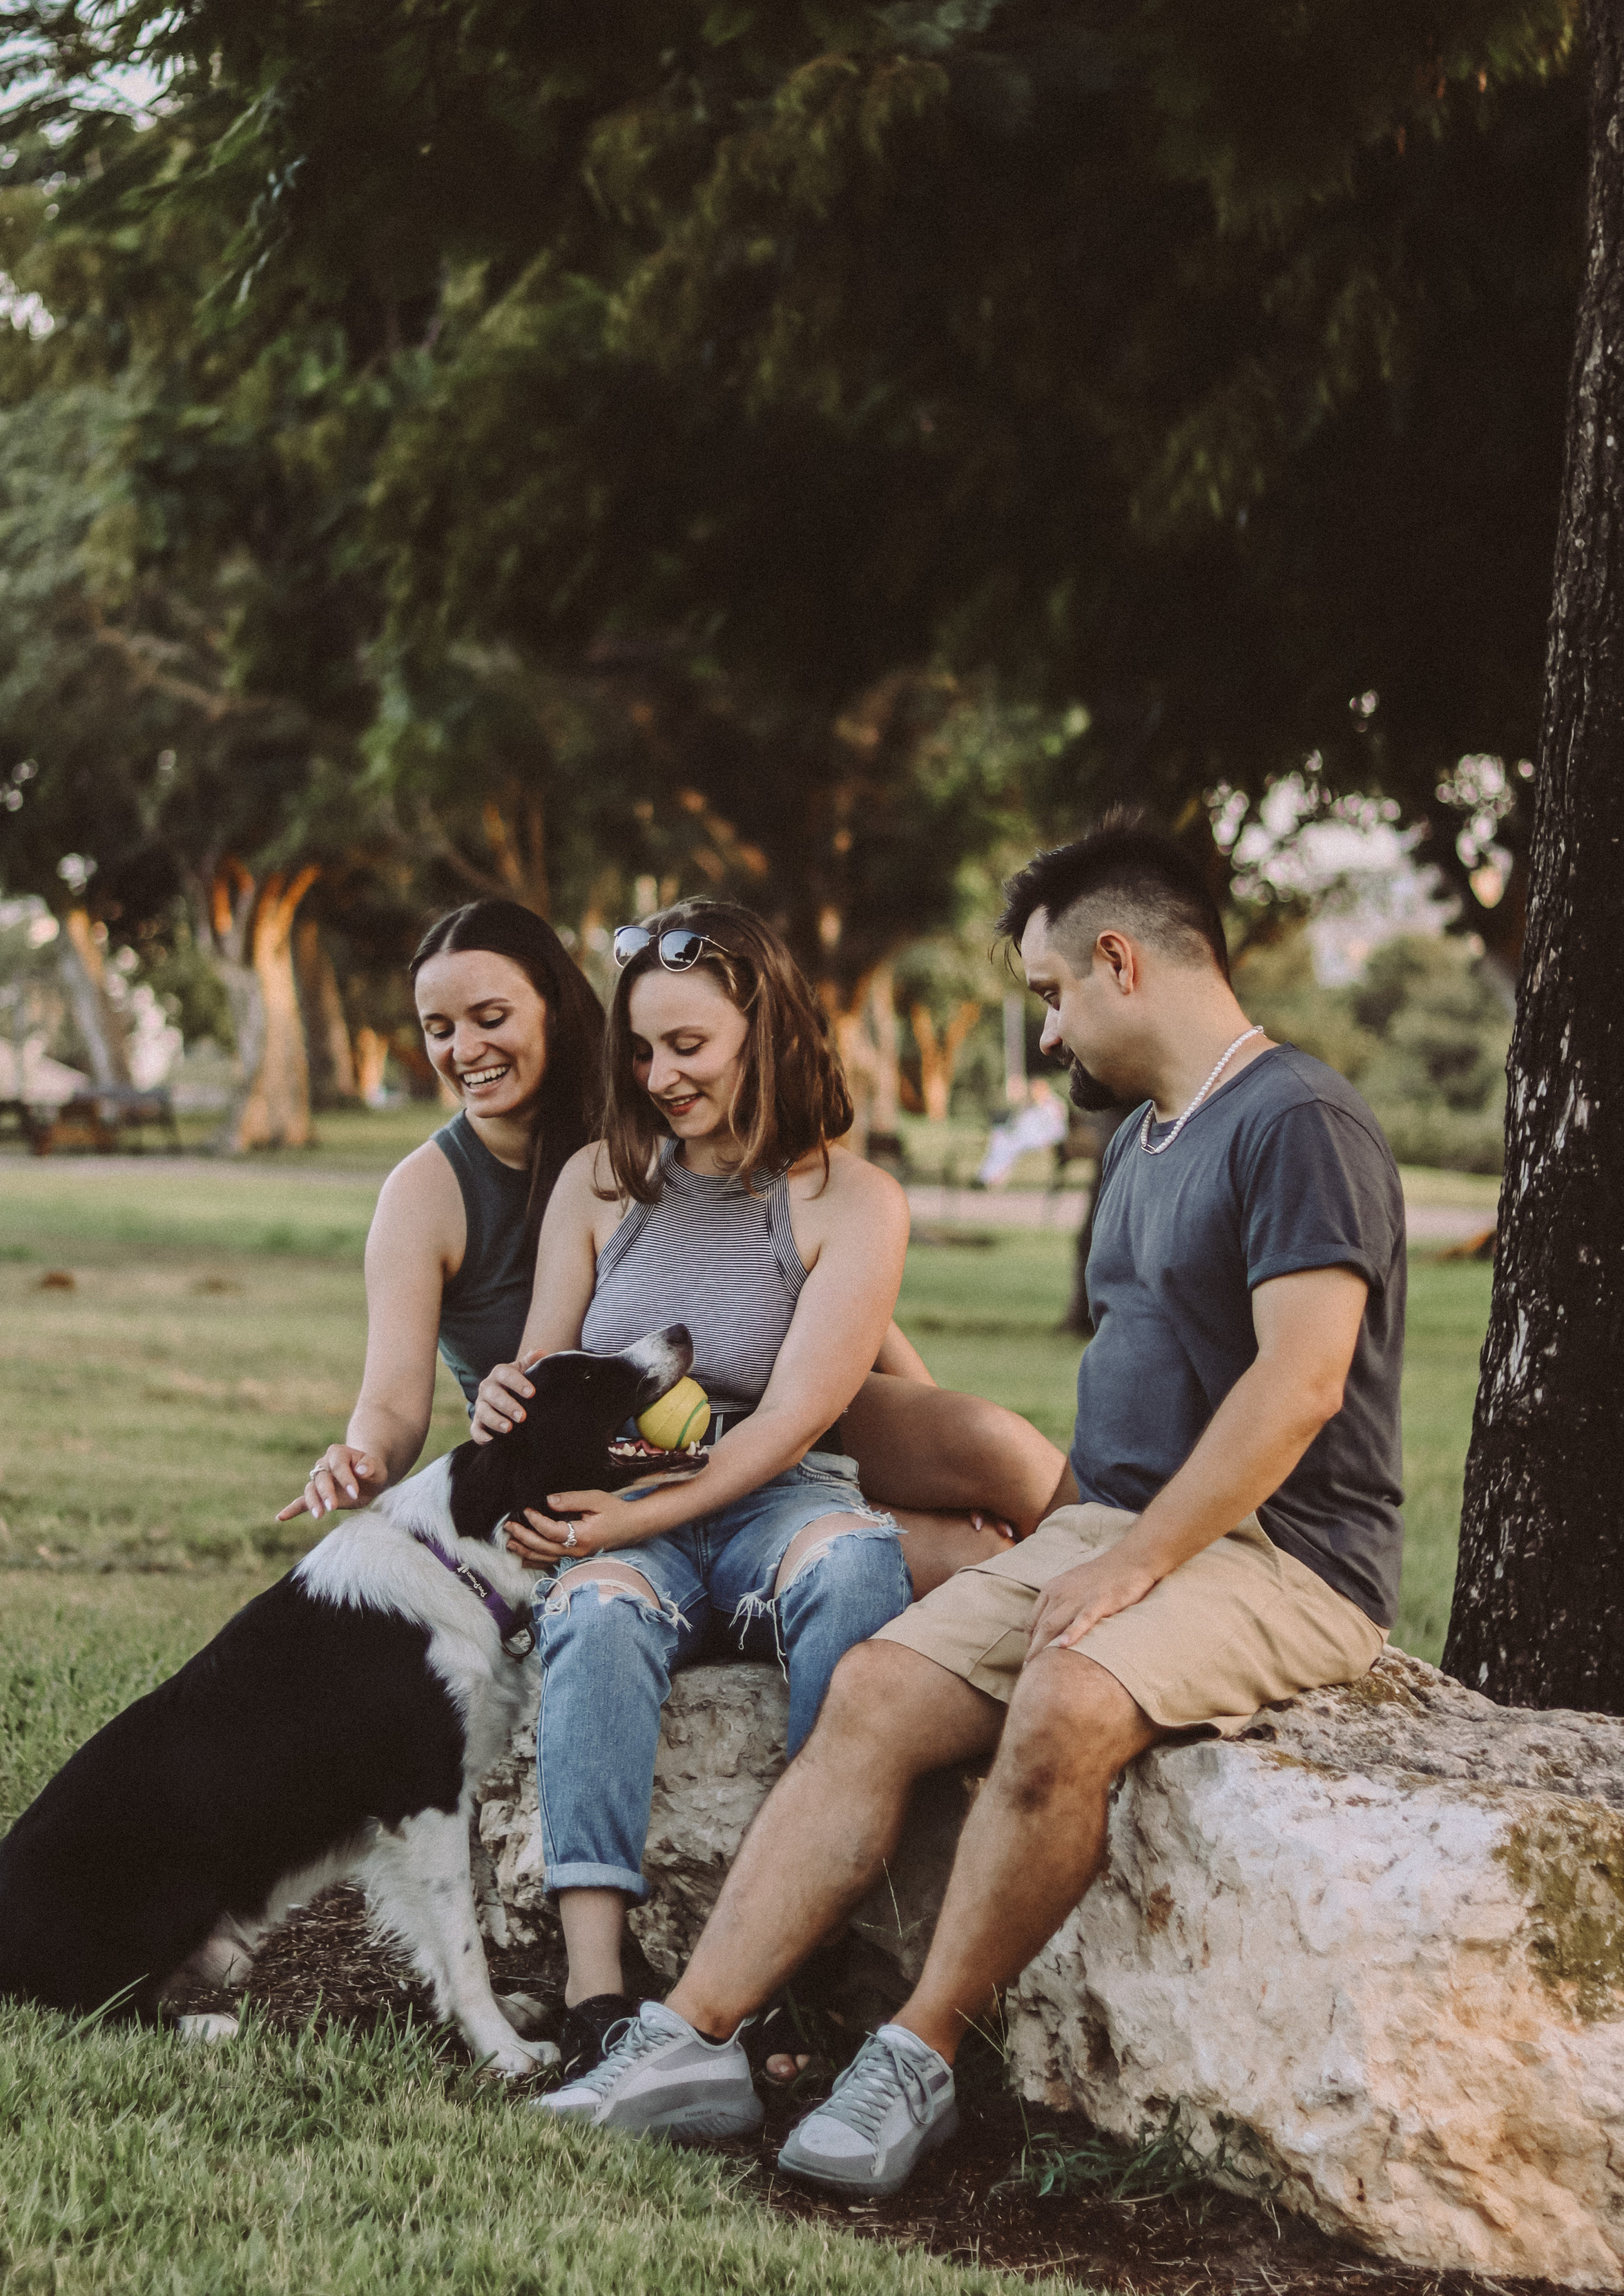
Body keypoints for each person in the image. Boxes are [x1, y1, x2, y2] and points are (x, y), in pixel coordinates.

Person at [552, 822, 1404, 2191]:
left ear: (1117, 959)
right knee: (878, 1688)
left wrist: (1134, 1561)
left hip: (1280, 1556)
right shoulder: (1140, 1142)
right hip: (1120, 1528)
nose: (1048, 1031)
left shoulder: (1294, 1120)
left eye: (1051, 994)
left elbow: (1299, 1387)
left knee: (1068, 1699)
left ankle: (918, 2052)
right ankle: (685, 2042)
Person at [470, 899, 1066, 2096]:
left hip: (777, 1499)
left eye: (687, 1046)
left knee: (851, 1561)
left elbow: (798, 1418)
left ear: (765, 1031)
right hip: (620, 1500)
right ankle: (598, 1993)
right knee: (593, 1614)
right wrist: (508, 1400)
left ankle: (805, 1964)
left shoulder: (853, 1201)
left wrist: (644, 1518)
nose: (659, 1075)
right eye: (642, 1050)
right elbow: (550, 1366)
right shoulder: (598, 1181)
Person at [278, 898, 605, 1526]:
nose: (465, 1049)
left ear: (554, 1008)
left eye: (491, 1017)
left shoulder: (639, 1139)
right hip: (546, 1511)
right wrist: (362, 1459)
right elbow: (394, 1404)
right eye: (440, 1029)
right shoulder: (422, 1196)